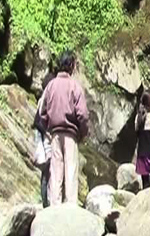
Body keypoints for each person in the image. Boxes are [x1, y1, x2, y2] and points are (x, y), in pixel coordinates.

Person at [40, 51, 89, 205]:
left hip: (54, 134)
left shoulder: (50, 86)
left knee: (56, 171)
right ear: (72, 66)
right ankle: (70, 205)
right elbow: (83, 115)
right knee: (71, 169)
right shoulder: (75, 86)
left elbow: (42, 112)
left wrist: (47, 128)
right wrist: (83, 133)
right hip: (70, 134)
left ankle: (54, 205)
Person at [32, 67, 56, 207]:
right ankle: (47, 203)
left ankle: (46, 202)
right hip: (46, 140)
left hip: (44, 138)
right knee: (48, 173)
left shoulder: (42, 99)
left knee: (46, 174)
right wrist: (48, 134)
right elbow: (39, 121)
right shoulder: (45, 100)